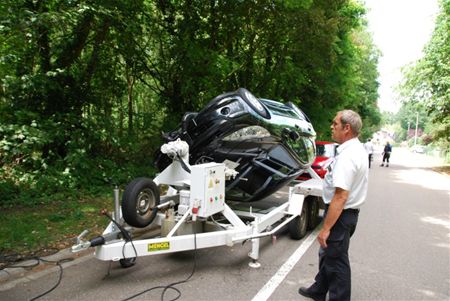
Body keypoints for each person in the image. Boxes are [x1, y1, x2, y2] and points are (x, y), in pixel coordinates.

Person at [298, 110, 368, 301]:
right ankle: (319, 290)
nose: (331, 126)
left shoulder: (348, 156)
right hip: (346, 215)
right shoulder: (354, 150)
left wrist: (326, 228)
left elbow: (341, 196)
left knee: (337, 262)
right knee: (327, 254)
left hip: (341, 214)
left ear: (347, 128)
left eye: (335, 123)